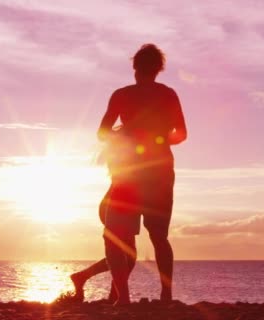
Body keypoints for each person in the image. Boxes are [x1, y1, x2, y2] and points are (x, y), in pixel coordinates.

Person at [98, 43, 187, 305]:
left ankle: (123, 298)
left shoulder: (122, 95)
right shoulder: (168, 95)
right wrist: (157, 139)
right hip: (159, 172)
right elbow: (181, 134)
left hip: (129, 173)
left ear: (135, 66)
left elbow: (102, 133)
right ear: (159, 69)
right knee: (159, 236)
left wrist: (125, 134)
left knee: (114, 235)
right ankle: (166, 296)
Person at [70, 127, 137, 303]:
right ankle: (120, 297)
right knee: (120, 251)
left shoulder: (127, 148)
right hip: (118, 203)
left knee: (128, 255)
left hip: (124, 203)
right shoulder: (123, 150)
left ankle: (86, 279)